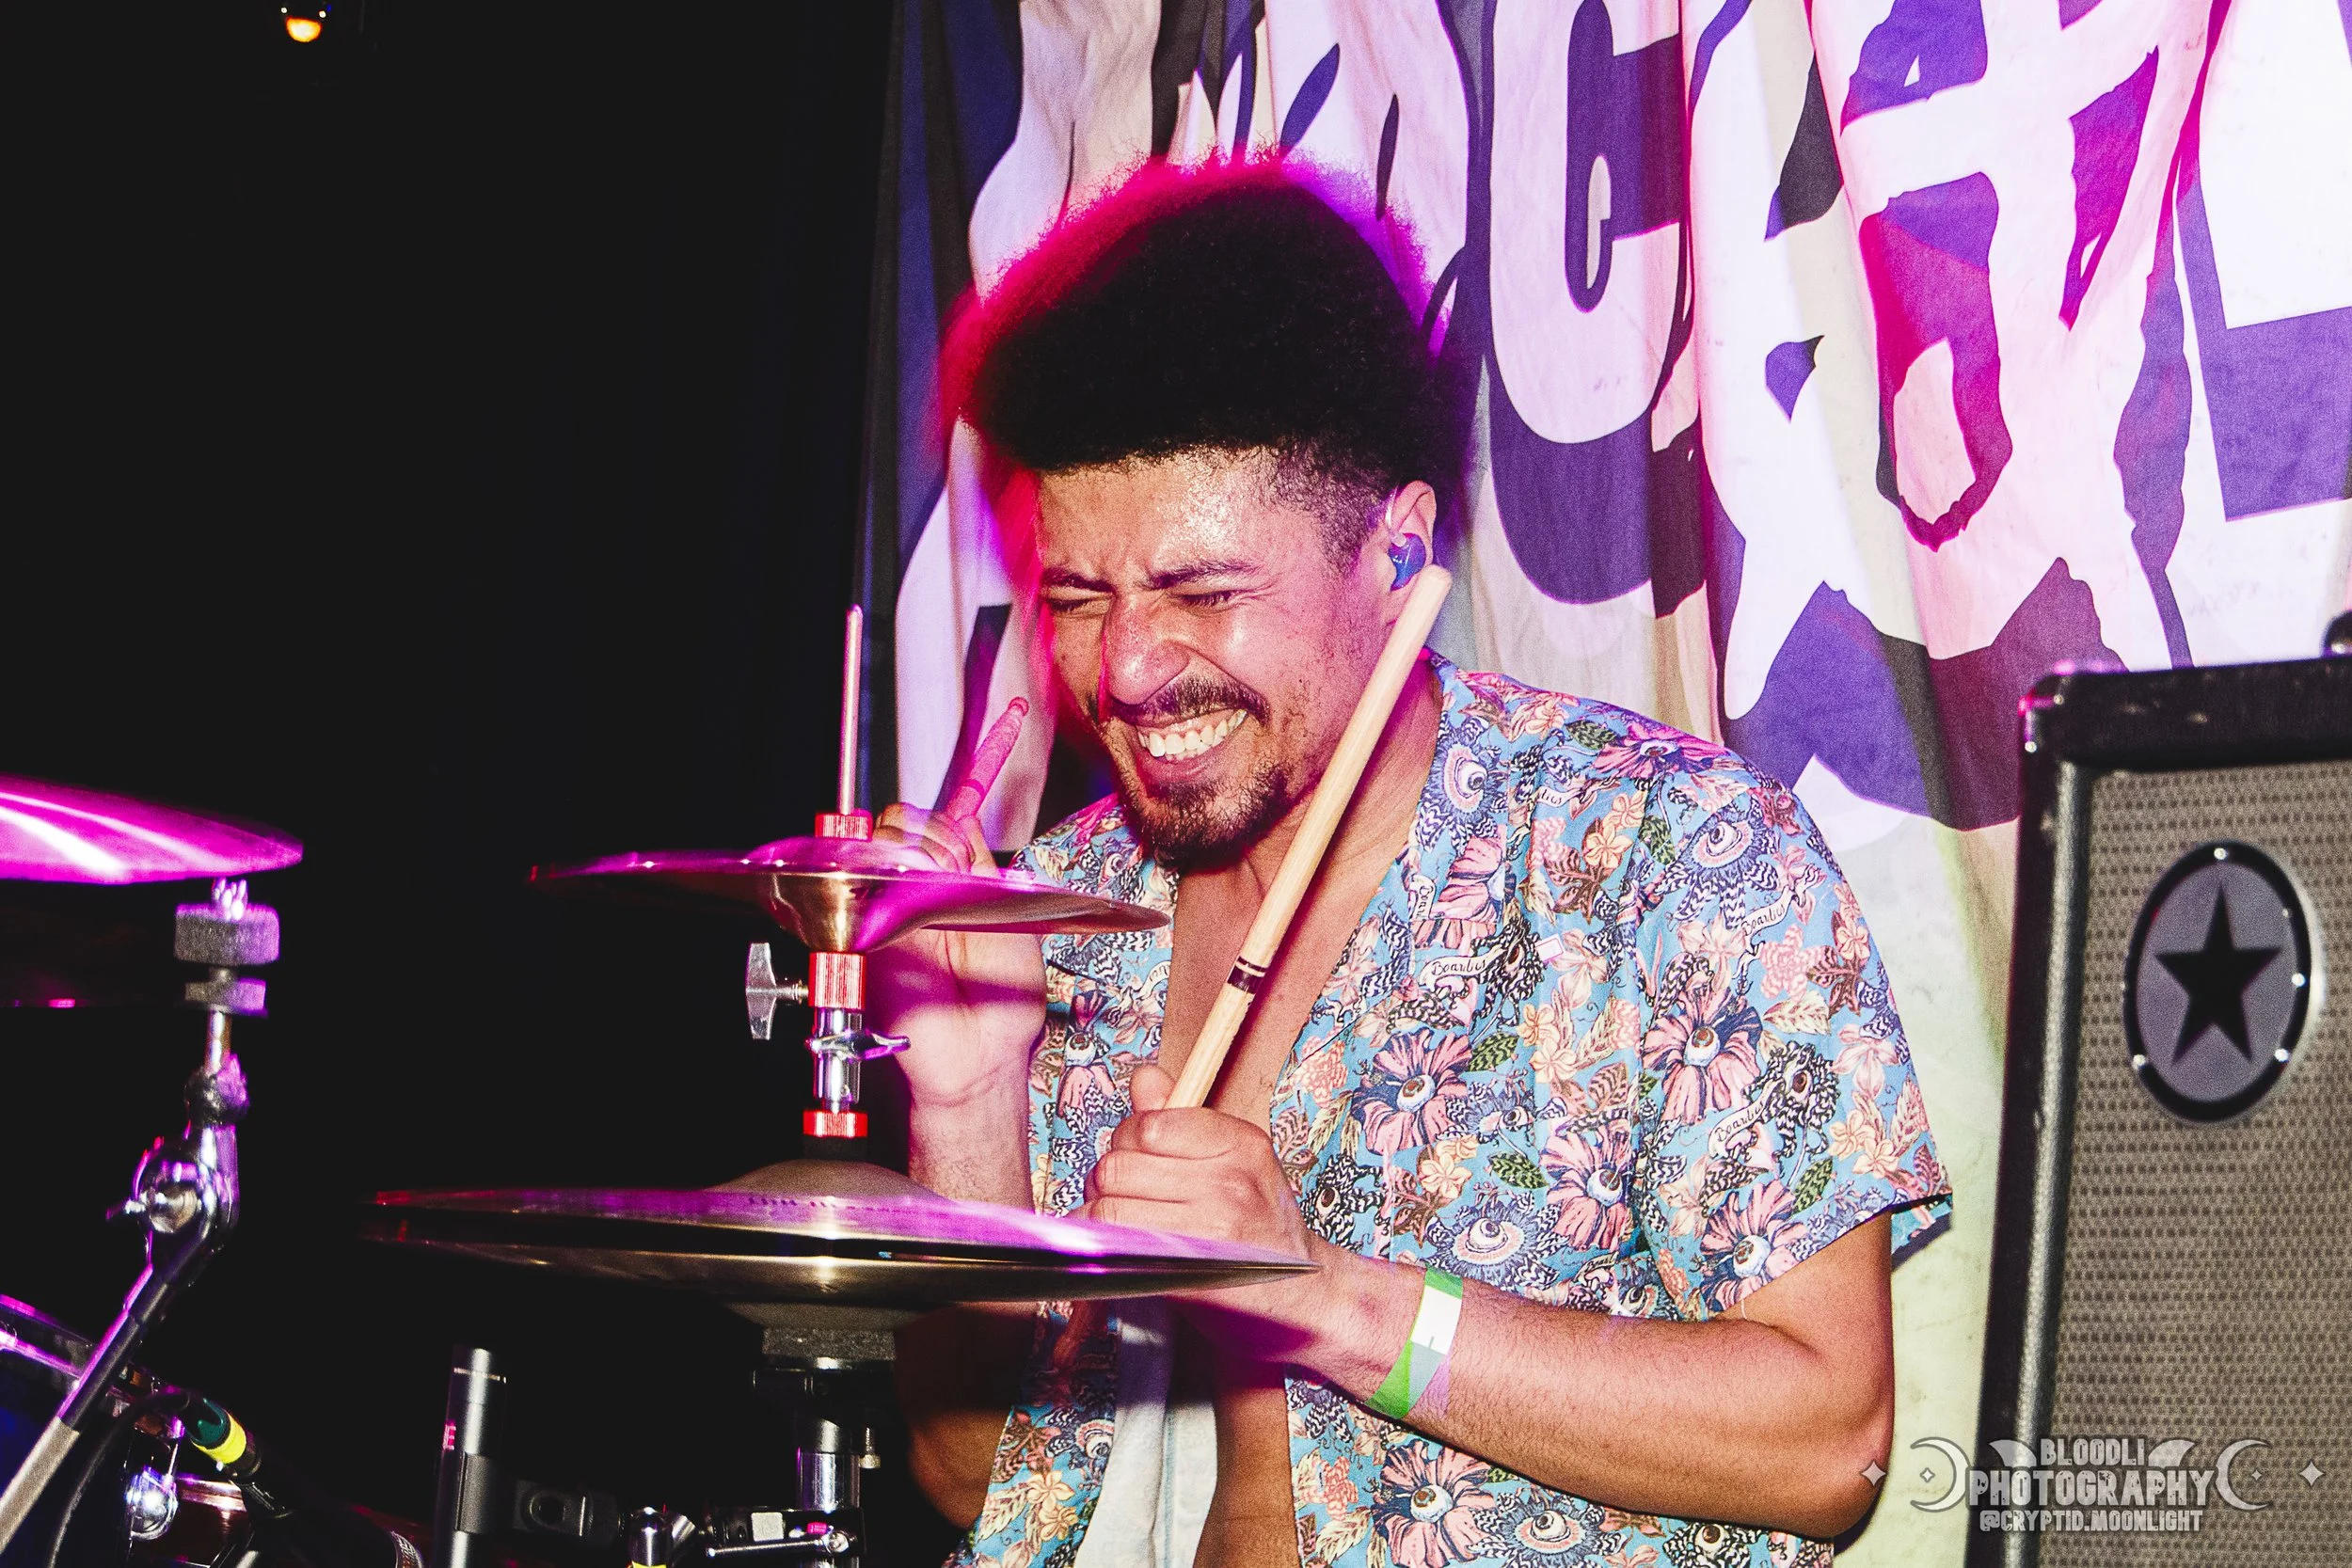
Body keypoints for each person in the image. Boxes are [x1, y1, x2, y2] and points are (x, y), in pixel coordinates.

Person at [871, 160, 1949, 1568]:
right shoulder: (1067, 916)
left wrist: (1323, 1298)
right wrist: (970, 1103)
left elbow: (1824, 1440)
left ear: (1398, 548)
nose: (1126, 667)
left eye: (1203, 592)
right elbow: (974, 1485)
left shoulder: (1669, 857)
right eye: (1078, 597)